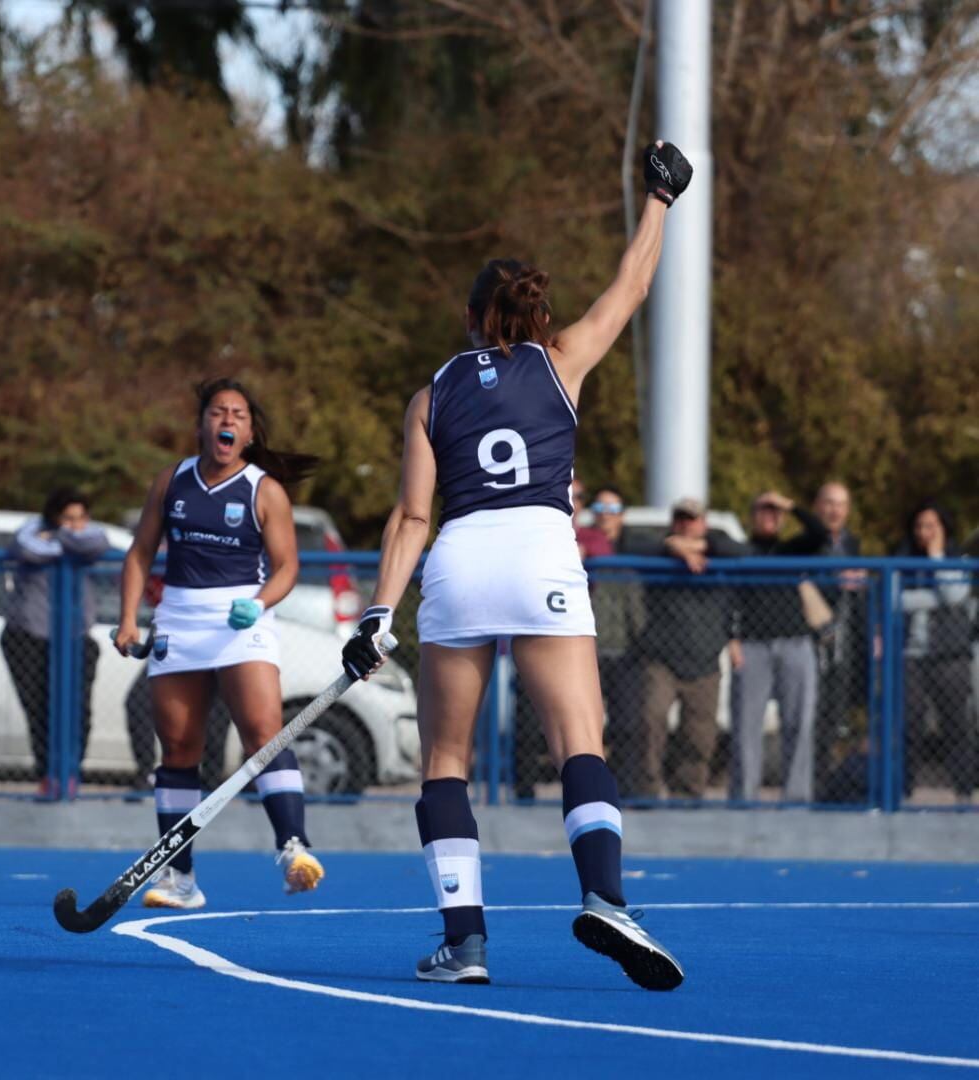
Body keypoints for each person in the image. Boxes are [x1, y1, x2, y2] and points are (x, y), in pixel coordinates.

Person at [342, 140, 692, 989]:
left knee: (445, 763)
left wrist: (377, 614)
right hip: (541, 553)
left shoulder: (432, 394)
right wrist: (661, 201)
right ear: (534, 320)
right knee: (580, 739)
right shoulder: (562, 359)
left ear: (469, 321)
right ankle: (605, 897)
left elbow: (414, 514)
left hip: (460, 566)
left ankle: (464, 945)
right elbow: (633, 288)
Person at [115, 377, 323, 909]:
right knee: (180, 749)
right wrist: (128, 621)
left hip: (241, 622)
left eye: (238, 414)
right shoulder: (172, 481)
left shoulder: (264, 489)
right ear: (202, 425)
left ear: (249, 432)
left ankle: (293, 848)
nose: (226, 420)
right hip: (180, 620)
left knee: (263, 733)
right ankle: (179, 878)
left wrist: (259, 602)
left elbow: (287, 567)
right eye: (216, 412)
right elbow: (140, 553)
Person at [634, 498, 747, 798]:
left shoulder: (718, 548)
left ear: (703, 524)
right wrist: (671, 547)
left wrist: (699, 547)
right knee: (651, 718)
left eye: (692, 519)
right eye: (681, 519)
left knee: (700, 735)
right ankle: (647, 790)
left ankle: (688, 792)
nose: (686, 524)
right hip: (661, 659)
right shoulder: (658, 550)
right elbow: (627, 547)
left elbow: (742, 551)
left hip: (704, 660)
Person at [0, 488, 110, 799]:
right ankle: (48, 775)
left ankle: (71, 773)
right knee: (40, 709)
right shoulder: (31, 529)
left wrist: (59, 538)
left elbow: (97, 542)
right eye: (66, 519)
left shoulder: (79, 534)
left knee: (78, 709)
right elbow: (26, 548)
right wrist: (67, 543)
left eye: (80, 518)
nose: (75, 525)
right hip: (30, 635)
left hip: (75, 637)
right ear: (52, 517)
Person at [728, 491, 829, 802]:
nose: (770, 516)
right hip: (752, 646)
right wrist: (731, 639)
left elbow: (820, 533)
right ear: (752, 515)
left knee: (799, 721)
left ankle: (796, 797)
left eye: (775, 512)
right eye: (763, 510)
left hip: (794, 643)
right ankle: (745, 797)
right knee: (746, 724)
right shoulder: (740, 551)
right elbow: (726, 598)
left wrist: (791, 504)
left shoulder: (791, 549)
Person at [896, 501, 974, 800]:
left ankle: (964, 793)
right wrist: (936, 598)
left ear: (943, 528)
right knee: (908, 725)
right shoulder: (903, 559)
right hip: (911, 657)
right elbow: (894, 601)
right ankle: (903, 792)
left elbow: (956, 593)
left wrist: (936, 558)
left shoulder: (956, 558)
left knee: (956, 726)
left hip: (950, 656)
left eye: (931, 526)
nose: (924, 532)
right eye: (919, 526)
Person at [583, 486, 650, 797]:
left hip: (626, 651)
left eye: (613, 509)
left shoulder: (635, 546)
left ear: (622, 515)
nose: (605, 515)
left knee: (629, 725)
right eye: (600, 507)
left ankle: (628, 791)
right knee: (584, 727)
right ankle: (589, 792)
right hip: (586, 652)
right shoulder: (579, 543)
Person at [811, 481, 869, 800]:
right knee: (817, 718)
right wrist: (836, 580)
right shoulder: (807, 543)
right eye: (828, 503)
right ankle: (817, 784)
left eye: (841, 504)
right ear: (818, 506)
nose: (834, 510)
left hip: (848, 644)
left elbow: (861, 590)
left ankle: (840, 786)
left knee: (843, 716)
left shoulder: (853, 544)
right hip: (816, 643)